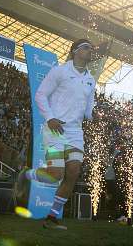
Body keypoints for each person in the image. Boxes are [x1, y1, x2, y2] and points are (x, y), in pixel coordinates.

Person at [15, 39, 96, 230]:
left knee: (73, 172)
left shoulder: (91, 79)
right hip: (55, 129)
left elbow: (88, 108)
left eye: (91, 49)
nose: (90, 51)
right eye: (86, 48)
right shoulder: (60, 71)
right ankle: (26, 175)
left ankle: (51, 218)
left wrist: (92, 115)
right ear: (75, 51)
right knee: (55, 175)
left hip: (75, 131)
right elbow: (40, 94)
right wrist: (50, 117)